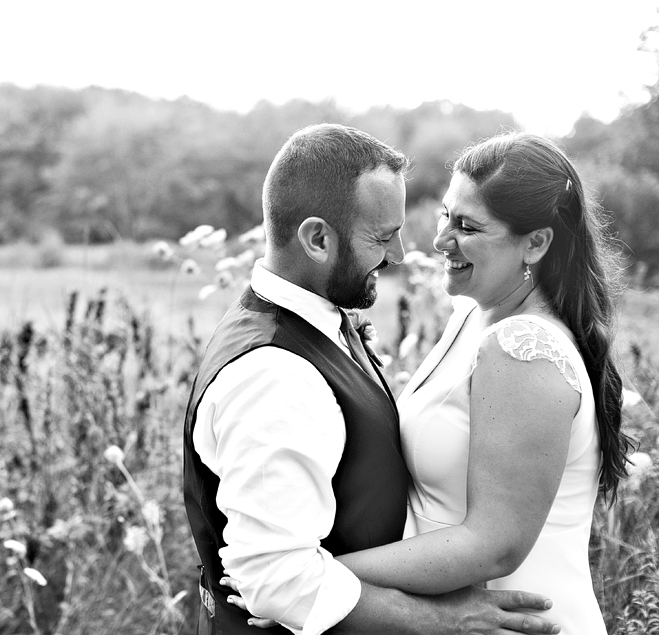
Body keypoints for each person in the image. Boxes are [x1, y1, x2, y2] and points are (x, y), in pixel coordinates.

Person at [228, 132, 632, 634]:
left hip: (511, 620)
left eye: (467, 226)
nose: (441, 239)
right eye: (446, 214)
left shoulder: (524, 348)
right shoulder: (470, 313)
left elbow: (495, 544)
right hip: (454, 614)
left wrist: (307, 582)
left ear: (535, 243)